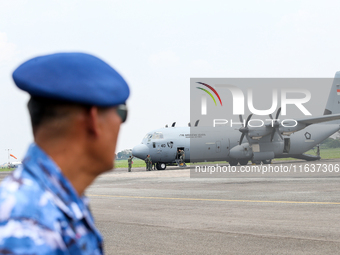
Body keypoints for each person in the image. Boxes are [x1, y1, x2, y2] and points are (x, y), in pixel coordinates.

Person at [0, 52, 129, 254]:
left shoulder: (60, 202)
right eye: (122, 113)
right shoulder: (27, 227)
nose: (121, 124)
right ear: (94, 120)